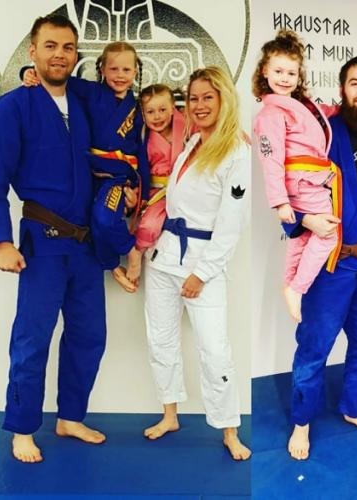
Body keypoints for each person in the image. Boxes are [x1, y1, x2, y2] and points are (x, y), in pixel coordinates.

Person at [0, 14, 111, 463]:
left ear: (76, 53)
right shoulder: (13, 107)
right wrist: (1, 241)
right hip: (41, 243)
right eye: (50, 46)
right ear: (33, 51)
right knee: (32, 337)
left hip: (86, 243)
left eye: (67, 47)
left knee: (90, 335)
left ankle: (70, 417)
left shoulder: (84, 101)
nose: (59, 54)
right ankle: (22, 428)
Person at [283, 56, 357, 460]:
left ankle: (353, 408)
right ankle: (302, 420)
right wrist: (303, 219)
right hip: (327, 264)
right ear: (342, 89)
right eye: (355, 83)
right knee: (314, 346)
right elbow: (286, 186)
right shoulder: (321, 133)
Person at [142, 66, 251, 461]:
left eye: (208, 97)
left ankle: (229, 429)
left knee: (215, 350)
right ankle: (169, 414)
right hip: (164, 257)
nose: (200, 105)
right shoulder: (191, 142)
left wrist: (202, 273)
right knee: (161, 339)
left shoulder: (236, 151)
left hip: (202, 263)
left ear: (224, 100)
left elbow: (232, 223)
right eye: (194, 98)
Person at [23, 41, 150, 292]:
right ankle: (113, 263)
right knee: (92, 224)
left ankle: (131, 251)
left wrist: (142, 195)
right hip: (87, 174)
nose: (120, 75)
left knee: (104, 219)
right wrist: (27, 72)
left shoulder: (137, 109)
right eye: (113, 69)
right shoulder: (91, 92)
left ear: (136, 71)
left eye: (126, 70)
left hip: (117, 177)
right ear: (102, 69)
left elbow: (142, 151)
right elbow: (56, 78)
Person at [253, 30, 340, 323]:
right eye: (278, 71)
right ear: (265, 71)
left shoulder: (298, 105)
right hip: (302, 182)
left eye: (291, 73)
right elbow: (271, 160)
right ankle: (297, 288)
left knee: (302, 237)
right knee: (328, 235)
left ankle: (290, 284)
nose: (285, 78)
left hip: (309, 180)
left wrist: (341, 109)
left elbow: (320, 114)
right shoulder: (270, 114)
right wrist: (280, 202)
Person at [134, 84, 186, 252]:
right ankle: (137, 255)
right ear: (143, 113)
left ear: (172, 108)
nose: (157, 116)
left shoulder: (186, 125)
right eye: (150, 112)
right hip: (158, 193)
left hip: (186, 189)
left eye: (162, 110)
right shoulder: (143, 136)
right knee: (148, 225)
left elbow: (213, 130)